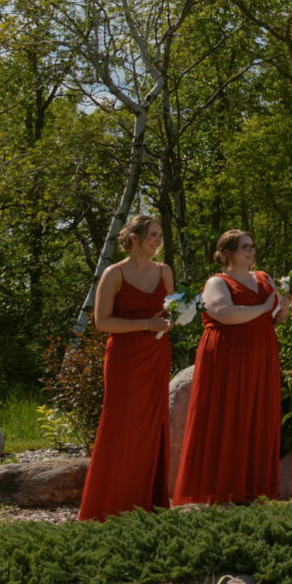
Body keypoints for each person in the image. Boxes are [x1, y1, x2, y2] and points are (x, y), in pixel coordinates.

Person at [173, 229, 291, 506]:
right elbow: (223, 313)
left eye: (252, 246)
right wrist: (264, 307)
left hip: (262, 355)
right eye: (244, 247)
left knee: (257, 414)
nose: (250, 251)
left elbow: (276, 319)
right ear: (227, 253)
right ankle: (220, 491)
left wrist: (282, 309)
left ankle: (254, 490)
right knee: (227, 415)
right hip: (228, 355)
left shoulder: (263, 278)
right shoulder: (217, 281)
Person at [79, 213, 176, 520]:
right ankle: (108, 505)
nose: (158, 241)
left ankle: (149, 504)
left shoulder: (165, 271)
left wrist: (173, 320)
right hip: (124, 360)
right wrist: (146, 323)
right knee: (120, 425)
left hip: (157, 355)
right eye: (153, 235)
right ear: (135, 238)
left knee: (152, 424)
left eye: (160, 235)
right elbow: (101, 321)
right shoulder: (114, 274)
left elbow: (169, 310)